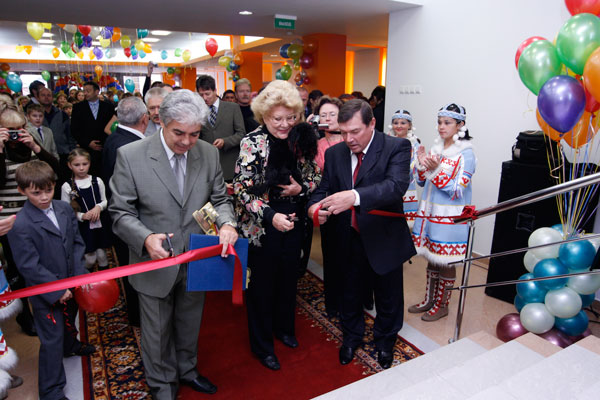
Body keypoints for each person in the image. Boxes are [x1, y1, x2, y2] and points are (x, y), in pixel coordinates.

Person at [109, 89, 238, 399]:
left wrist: (227, 223)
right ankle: (162, 385)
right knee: (157, 331)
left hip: (196, 256)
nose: (187, 142)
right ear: (161, 122)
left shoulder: (207, 153)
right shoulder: (131, 155)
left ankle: (187, 370)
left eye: (195, 134)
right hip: (154, 260)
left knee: (190, 322)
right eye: (179, 133)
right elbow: (120, 212)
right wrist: (145, 238)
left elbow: (219, 199)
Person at [307, 99, 415, 370]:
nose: (349, 139)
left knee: (388, 296)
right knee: (349, 292)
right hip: (347, 235)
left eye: (355, 131)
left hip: (383, 236)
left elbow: (394, 186)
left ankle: (385, 341)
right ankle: (351, 337)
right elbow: (325, 187)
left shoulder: (396, 147)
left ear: (372, 123)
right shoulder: (336, 153)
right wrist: (314, 208)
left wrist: (353, 197)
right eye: (343, 132)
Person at [233, 80, 320, 371]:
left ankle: (284, 329)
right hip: (263, 223)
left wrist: (301, 189)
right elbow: (242, 190)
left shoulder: (300, 138)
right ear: (264, 116)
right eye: (277, 119)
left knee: (287, 278)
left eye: (290, 117)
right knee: (261, 286)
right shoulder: (252, 142)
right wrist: (271, 215)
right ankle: (262, 346)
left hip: (294, 219)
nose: (285, 125)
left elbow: (316, 176)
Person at [7, 160, 95, 400]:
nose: (44, 197)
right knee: (52, 338)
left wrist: (78, 274)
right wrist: (56, 290)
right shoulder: (20, 224)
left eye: (49, 190)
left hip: (71, 282)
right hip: (46, 291)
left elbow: (76, 243)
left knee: (70, 319)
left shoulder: (64, 209)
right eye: (36, 193)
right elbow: (28, 265)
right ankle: (51, 390)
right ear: (22, 191)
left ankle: (71, 346)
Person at [410, 103, 476, 321]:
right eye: (439, 122)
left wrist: (434, 169)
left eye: (447, 122)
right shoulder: (436, 149)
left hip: (449, 218)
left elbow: (457, 190)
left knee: (446, 261)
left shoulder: (466, 154)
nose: (441, 126)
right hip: (429, 215)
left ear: (460, 125)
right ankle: (429, 300)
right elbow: (422, 183)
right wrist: (421, 165)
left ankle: (442, 305)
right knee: (432, 258)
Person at [0, 108, 60, 338]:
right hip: (10, 221)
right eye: (10, 130)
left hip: (37, 216)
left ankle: (48, 306)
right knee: (19, 270)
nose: (15, 135)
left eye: (19, 129)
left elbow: (56, 171)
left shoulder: (31, 146)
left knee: (42, 263)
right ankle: (25, 315)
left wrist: (36, 147)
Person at [312, 96, 346, 318]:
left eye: (332, 114)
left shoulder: (350, 140)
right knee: (331, 256)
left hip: (352, 204)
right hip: (328, 205)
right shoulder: (317, 145)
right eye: (323, 115)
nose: (328, 118)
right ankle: (333, 303)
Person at [61, 148, 111, 270]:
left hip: (99, 224)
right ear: (70, 165)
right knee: (90, 257)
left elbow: (105, 201)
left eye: (85, 164)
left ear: (90, 163)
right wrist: (81, 216)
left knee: (102, 254)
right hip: (83, 227)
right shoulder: (67, 186)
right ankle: (85, 277)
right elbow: (66, 210)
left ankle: (106, 279)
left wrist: (98, 207)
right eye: (77, 165)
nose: (81, 168)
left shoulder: (97, 181)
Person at [196, 75, 245, 182]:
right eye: (201, 95)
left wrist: (225, 141)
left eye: (207, 94)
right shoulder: (198, 111)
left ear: (215, 91)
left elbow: (241, 134)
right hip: (207, 166)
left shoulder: (232, 108)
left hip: (229, 164)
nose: (204, 98)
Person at [70, 81, 115, 177]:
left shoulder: (108, 107)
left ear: (96, 91)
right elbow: (74, 129)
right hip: (87, 149)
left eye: (88, 91)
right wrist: (88, 143)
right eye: (84, 91)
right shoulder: (78, 107)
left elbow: (112, 127)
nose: (85, 93)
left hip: (105, 148)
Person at [38, 87, 76, 185]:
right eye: (43, 95)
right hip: (42, 154)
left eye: (49, 95)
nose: (46, 97)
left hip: (62, 153)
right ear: (38, 97)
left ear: (52, 98)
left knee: (64, 183)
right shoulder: (35, 115)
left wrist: (72, 150)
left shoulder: (62, 114)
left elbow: (70, 134)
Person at [388, 109, 420, 228]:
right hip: (389, 185)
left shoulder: (415, 144)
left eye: (403, 123)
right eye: (396, 123)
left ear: (409, 125)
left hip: (407, 186)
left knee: (407, 225)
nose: (399, 126)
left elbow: (415, 166)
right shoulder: (387, 141)